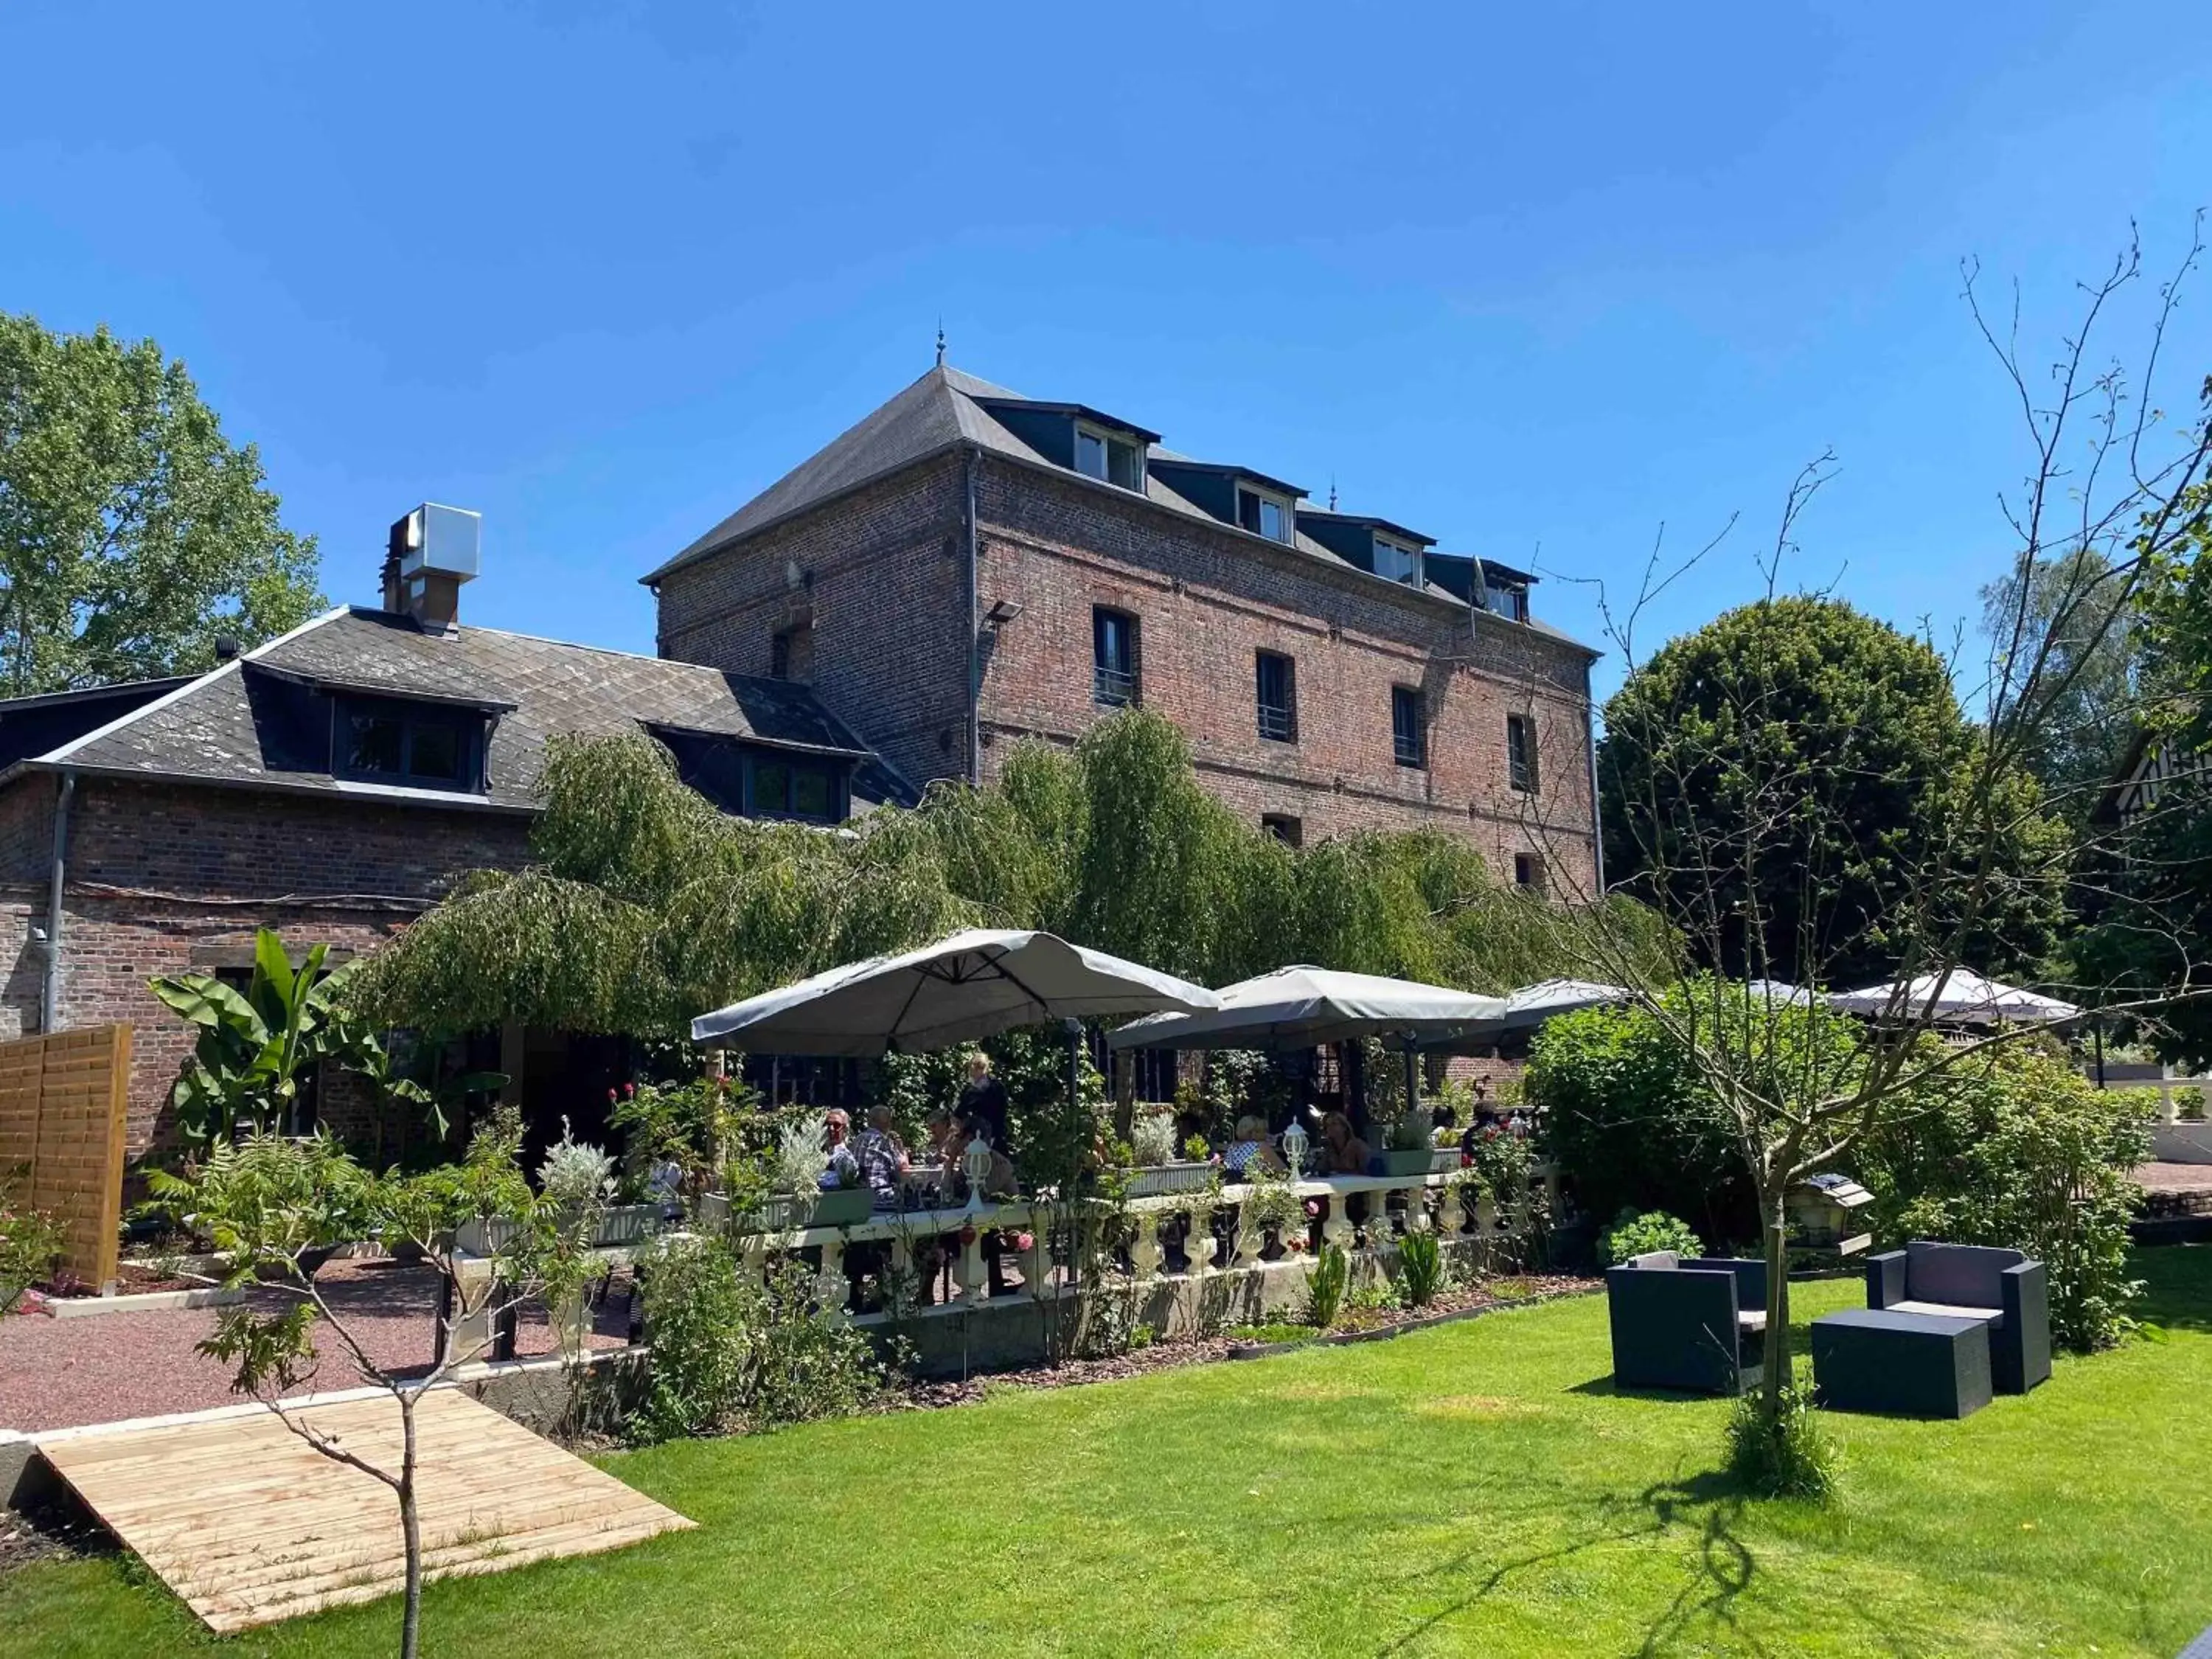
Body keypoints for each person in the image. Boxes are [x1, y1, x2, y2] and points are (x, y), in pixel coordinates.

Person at [852, 1105, 909, 1209]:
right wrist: (902, 1149)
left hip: (860, 1194)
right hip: (881, 1193)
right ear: (888, 1123)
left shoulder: (857, 1139)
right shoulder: (883, 1141)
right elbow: (902, 1166)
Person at [957, 1051, 1010, 1150]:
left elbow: (999, 1111)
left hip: (990, 1131)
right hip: (974, 1129)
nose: (972, 1072)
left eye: (978, 1068)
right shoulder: (969, 1089)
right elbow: (960, 1111)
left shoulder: (995, 1087)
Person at [1222, 1114, 1287, 1177]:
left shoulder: (1232, 1147)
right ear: (1254, 1133)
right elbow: (1283, 1170)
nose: (1266, 1134)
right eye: (1264, 1131)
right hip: (1253, 1184)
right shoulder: (1261, 1147)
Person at [1318, 1110, 1371, 1176]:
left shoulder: (1358, 1146)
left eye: (1334, 1124)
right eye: (1327, 1125)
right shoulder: (1328, 1147)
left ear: (1344, 1127)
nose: (1330, 1128)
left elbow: (1368, 1170)